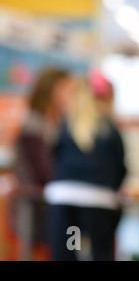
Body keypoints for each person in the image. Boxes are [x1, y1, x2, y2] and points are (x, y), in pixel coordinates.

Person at [44, 75, 126, 261]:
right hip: (99, 198)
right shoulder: (109, 128)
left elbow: (53, 159)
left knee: (64, 254)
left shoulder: (64, 125)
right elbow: (120, 167)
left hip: (63, 195)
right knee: (99, 253)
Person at [13, 67, 74, 260]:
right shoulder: (33, 125)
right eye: (67, 89)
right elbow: (43, 172)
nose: (70, 96)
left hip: (52, 205)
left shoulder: (59, 122)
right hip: (35, 209)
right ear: (52, 90)